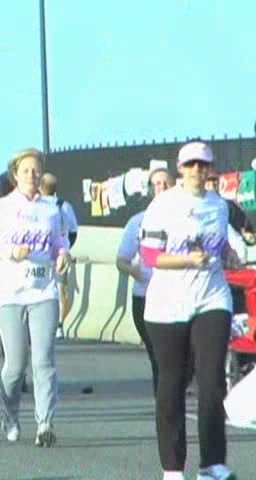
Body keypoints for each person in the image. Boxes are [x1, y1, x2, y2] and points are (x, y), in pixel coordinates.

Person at [140, 141, 239, 480]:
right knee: (172, 384)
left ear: (210, 169)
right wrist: (186, 259)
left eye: (203, 165)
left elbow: (220, 244)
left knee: (212, 382)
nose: (197, 170)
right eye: (191, 165)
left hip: (212, 299)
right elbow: (150, 257)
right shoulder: (164, 205)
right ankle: (172, 467)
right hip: (168, 305)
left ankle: (212, 464)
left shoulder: (219, 206)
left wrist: (229, 255)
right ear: (180, 169)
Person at [0, 148, 70, 447]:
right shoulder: (0, 209)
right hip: (11, 294)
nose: (31, 175)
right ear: (15, 175)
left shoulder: (52, 210)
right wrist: (9, 252)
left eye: (35, 170)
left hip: (43, 291)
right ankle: (10, 413)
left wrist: (63, 255)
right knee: (16, 366)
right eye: (25, 170)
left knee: (44, 359)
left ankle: (45, 423)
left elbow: (60, 241)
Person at [116, 168, 175, 396]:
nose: (161, 188)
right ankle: (165, 406)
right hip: (145, 297)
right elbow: (121, 260)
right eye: (156, 184)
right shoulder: (138, 222)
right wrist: (135, 271)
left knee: (178, 357)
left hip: (177, 296)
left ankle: (171, 395)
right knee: (159, 355)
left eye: (165, 183)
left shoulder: (184, 218)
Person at [39, 172, 78, 339]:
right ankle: (59, 324)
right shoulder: (64, 206)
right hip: (61, 254)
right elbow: (73, 231)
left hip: (41, 254)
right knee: (60, 289)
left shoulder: (37, 206)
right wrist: (65, 248)